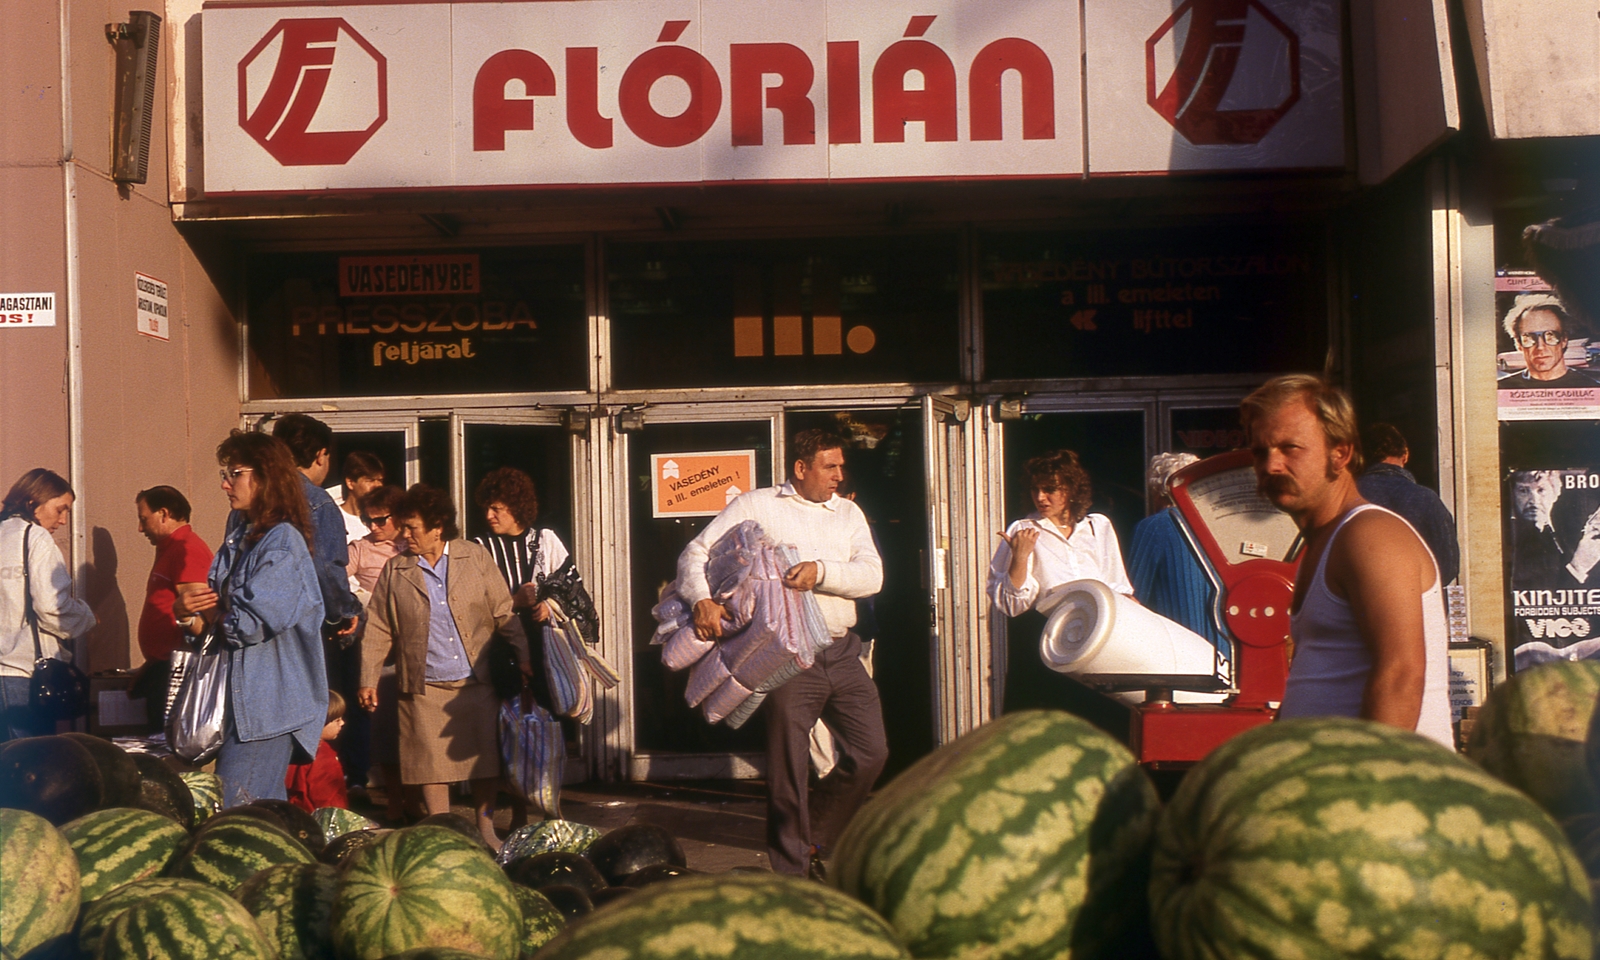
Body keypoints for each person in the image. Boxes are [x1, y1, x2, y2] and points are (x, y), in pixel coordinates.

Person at [678, 429, 885, 879]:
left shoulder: (848, 512)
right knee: (788, 766)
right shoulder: (758, 505)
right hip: (789, 658)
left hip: (842, 652)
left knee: (872, 752)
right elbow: (696, 552)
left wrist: (822, 573)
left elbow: (872, 576)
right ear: (801, 468)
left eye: (840, 466)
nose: (839, 475)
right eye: (830, 466)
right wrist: (701, 599)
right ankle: (792, 873)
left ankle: (818, 838)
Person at [1242, 375, 1452, 746]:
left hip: (1387, 789)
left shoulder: (1369, 535)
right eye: (1261, 451)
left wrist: (1365, 787)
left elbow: (1402, 674)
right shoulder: (1325, 541)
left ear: (1339, 453)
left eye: (1290, 448)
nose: (1271, 465)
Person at [358, 484, 529, 851]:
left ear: (438, 526)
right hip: (424, 687)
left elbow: (503, 612)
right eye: (402, 527)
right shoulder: (396, 568)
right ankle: (441, 833)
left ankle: (486, 832)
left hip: (476, 681)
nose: (405, 535)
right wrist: (367, 679)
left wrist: (524, 657)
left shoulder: (474, 556)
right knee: (428, 766)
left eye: (412, 527)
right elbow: (378, 627)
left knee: (484, 764)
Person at [172, 431, 329, 806]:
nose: (226, 484)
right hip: (237, 705)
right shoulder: (240, 538)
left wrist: (211, 612)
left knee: (236, 812)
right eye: (224, 474)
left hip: (266, 708)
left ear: (265, 477)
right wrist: (185, 615)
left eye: (235, 473)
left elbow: (249, 624)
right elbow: (213, 625)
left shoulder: (283, 543)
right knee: (259, 815)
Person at [472, 466, 590, 827]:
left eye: (497, 508)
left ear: (518, 507)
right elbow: (471, 606)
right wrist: (515, 601)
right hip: (497, 649)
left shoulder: (547, 541)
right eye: (487, 509)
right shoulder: (477, 549)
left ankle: (541, 811)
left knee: (542, 731)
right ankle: (503, 817)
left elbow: (575, 594)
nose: (489, 516)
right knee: (501, 735)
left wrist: (548, 605)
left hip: (544, 651)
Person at [987, 449, 1135, 715]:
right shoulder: (1023, 530)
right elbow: (1011, 606)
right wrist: (1020, 557)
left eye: (1050, 488)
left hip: (1097, 641)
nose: (1040, 497)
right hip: (1047, 640)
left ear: (1071, 489)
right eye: (1035, 489)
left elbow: (1118, 588)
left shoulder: (1097, 527)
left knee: (1098, 720)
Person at [0, 469, 97, 742]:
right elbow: (51, 606)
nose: (64, 520)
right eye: (60, 509)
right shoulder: (36, 538)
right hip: (21, 674)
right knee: (28, 768)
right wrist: (87, 616)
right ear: (34, 502)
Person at [345, 483, 413, 823]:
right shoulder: (361, 548)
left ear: (398, 517)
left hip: (415, 646)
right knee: (385, 725)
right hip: (381, 644)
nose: (373, 527)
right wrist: (361, 600)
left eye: (380, 520)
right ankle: (395, 800)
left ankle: (419, 798)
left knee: (416, 725)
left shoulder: (411, 546)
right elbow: (337, 578)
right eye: (367, 519)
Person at [1128, 453, 1230, 661]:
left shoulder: (1153, 528)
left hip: (1177, 652)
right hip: (1226, 651)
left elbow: (1133, 599)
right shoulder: (1224, 526)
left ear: (1158, 492)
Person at [271, 414, 361, 643]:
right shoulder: (318, 502)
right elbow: (326, 567)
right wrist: (343, 611)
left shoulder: (251, 498)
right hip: (304, 626)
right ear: (321, 455)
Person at [131, 485, 213, 728]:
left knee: (166, 749)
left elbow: (202, 620)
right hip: (164, 668)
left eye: (143, 519)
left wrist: (176, 666)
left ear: (164, 514)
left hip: (178, 673)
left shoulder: (187, 549)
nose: (140, 528)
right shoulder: (170, 550)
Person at [1356, 423, 1460, 586]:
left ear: (1361, 457)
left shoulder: (1348, 498)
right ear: (1405, 455)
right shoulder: (1426, 499)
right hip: (1418, 603)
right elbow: (1448, 567)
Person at [1498, 294, 1598, 389]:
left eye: (1550, 336)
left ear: (1564, 340)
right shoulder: (1501, 388)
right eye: (1529, 338)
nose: (1540, 347)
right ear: (1518, 344)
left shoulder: (1592, 388)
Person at [286, 690, 350, 813]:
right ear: (319, 722)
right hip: (318, 820)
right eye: (336, 719)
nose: (342, 723)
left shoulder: (291, 748)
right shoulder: (323, 756)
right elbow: (327, 797)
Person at [336, 452, 387, 545]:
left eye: (380, 480)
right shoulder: (334, 518)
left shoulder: (386, 519)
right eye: (370, 480)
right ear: (350, 482)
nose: (378, 485)